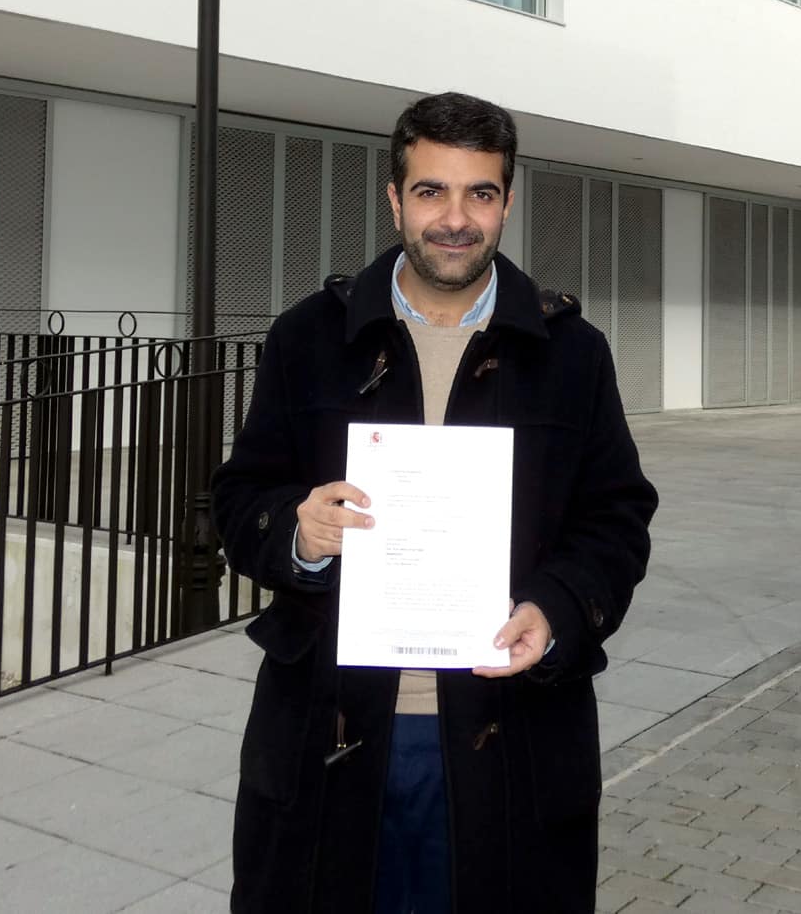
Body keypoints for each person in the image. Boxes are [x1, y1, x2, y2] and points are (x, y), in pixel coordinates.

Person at [213, 91, 659, 914]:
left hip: (511, 729)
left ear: (506, 201)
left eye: (479, 193)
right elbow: (241, 497)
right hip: (329, 729)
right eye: (430, 191)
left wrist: (557, 608)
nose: (455, 219)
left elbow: (616, 519)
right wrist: (299, 533)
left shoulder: (571, 354)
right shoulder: (308, 337)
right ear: (394, 198)